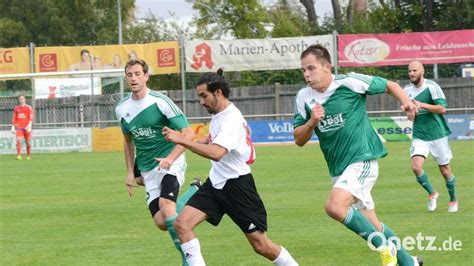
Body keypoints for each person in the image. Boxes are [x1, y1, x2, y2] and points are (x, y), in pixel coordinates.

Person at [293, 44, 422, 266]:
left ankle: (384, 248)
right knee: (374, 225)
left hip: (362, 159)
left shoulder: (350, 82)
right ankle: (409, 262)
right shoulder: (304, 97)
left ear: (327, 67)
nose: (306, 74)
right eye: (303, 70)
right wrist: (312, 121)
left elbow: (389, 85)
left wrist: (407, 103)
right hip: (338, 168)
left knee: (334, 206)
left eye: (311, 68)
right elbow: (299, 139)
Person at [162, 69, 298, 266]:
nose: (201, 101)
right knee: (182, 225)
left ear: (218, 93)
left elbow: (217, 153)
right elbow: (210, 139)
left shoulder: (231, 118)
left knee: (261, 246)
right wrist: (180, 146)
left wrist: (181, 140)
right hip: (216, 184)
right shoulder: (219, 114)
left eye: (204, 96)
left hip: (238, 187)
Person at [115, 59, 199, 265]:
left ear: (146, 76)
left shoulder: (160, 101)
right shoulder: (121, 108)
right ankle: (195, 191)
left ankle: (188, 259)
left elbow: (188, 133)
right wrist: (129, 172)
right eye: (129, 74)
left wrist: (171, 158)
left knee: (167, 206)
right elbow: (128, 141)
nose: (133, 78)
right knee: (162, 222)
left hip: (170, 161)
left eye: (137, 73)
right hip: (147, 169)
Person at [405, 60, 458, 212]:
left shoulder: (432, 87)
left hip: (437, 134)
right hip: (420, 135)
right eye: (409, 71)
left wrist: (422, 105)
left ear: (422, 71)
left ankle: (453, 200)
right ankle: (432, 193)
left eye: (414, 70)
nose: (412, 74)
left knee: (445, 170)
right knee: (416, 167)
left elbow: (442, 109)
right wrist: (410, 113)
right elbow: (410, 109)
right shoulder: (406, 89)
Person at [11, 95, 33, 160]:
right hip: (19, 127)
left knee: (28, 143)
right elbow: (14, 118)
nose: (21, 100)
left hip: (27, 127)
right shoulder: (16, 108)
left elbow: (31, 117)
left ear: (25, 99)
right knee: (18, 140)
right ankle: (19, 155)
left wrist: (29, 125)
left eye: (22, 99)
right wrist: (12, 126)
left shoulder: (29, 107)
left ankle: (28, 155)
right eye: (20, 99)